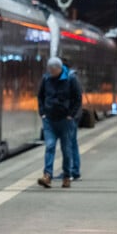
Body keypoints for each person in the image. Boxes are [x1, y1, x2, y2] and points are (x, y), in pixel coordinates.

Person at [36, 57, 82, 189]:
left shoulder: (71, 79)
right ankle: (47, 175)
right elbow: (40, 96)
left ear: (59, 68)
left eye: (53, 70)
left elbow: (78, 98)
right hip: (49, 119)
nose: (51, 72)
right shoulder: (46, 79)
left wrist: (71, 115)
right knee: (49, 146)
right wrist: (42, 113)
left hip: (65, 121)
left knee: (66, 149)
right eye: (49, 70)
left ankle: (67, 176)